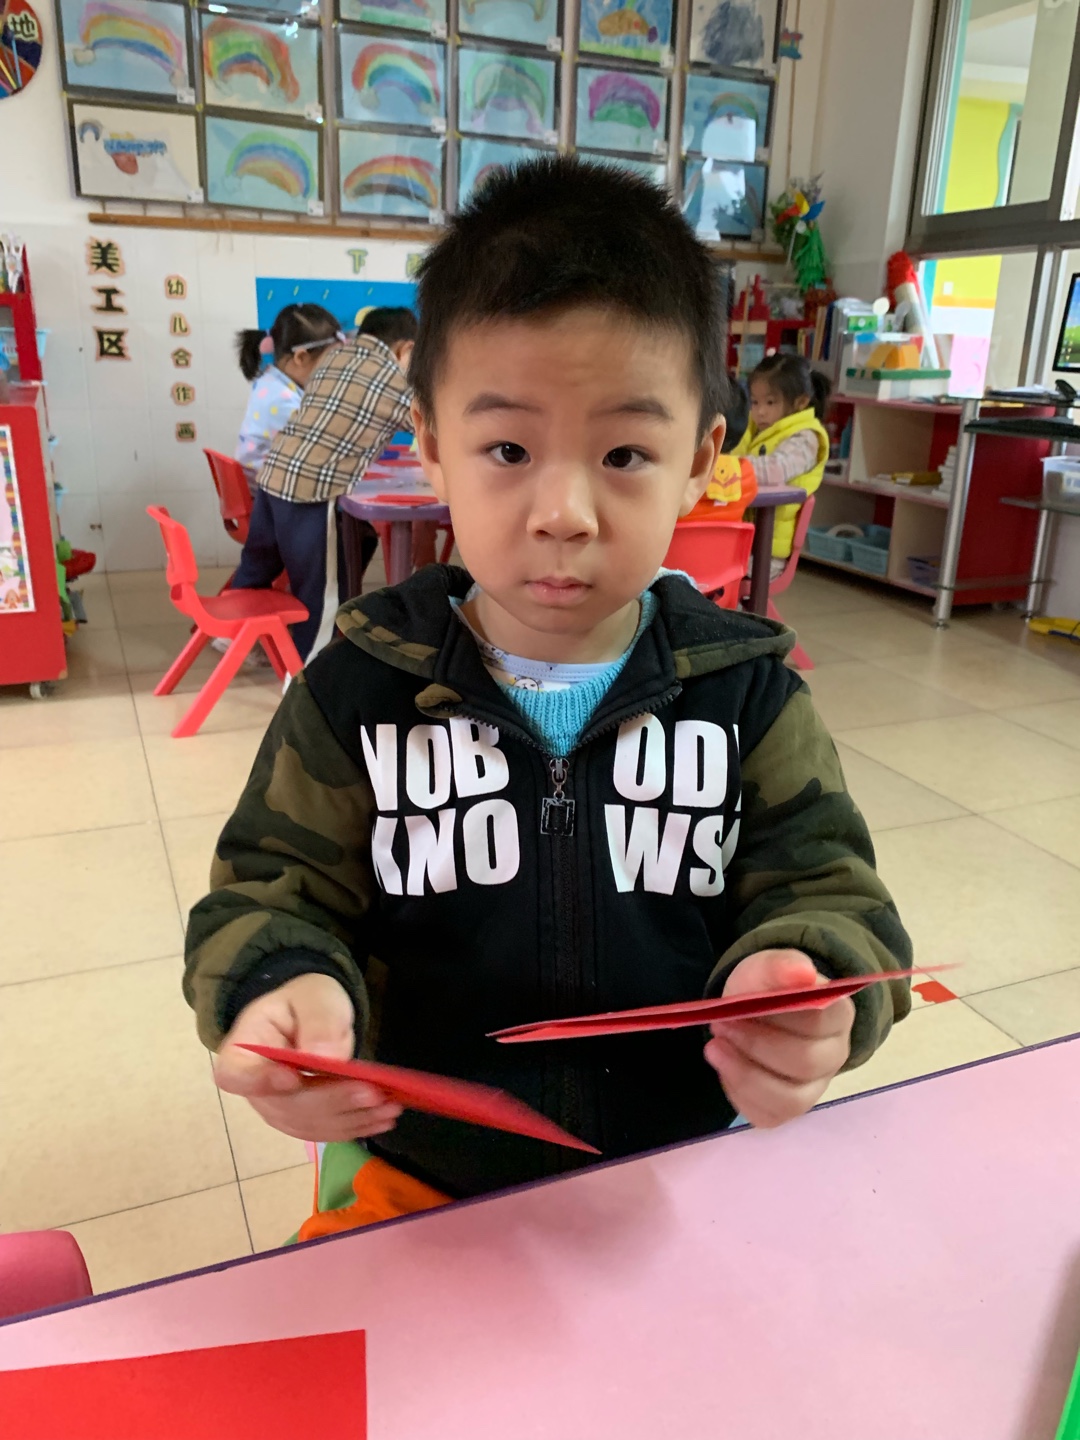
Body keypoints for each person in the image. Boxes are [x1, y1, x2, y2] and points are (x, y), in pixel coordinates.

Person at [186, 158, 911, 1240]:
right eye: (508, 449)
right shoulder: (360, 685)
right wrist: (282, 984)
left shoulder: (748, 693)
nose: (563, 511)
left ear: (701, 461)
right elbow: (267, 891)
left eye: (624, 453)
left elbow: (835, 892)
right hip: (419, 1178)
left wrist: (810, 981)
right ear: (433, 448)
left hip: (686, 1174)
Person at [230, 306, 417, 664]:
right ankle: (311, 672)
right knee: (321, 596)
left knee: (257, 567)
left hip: (272, 480)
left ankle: (234, 637)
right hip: (310, 492)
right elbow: (430, 423)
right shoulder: (394, 380)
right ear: (405, 348)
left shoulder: (335, 358)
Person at [731, 353, 832, 577]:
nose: (760, 411)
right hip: (744, 540)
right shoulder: (757, 429)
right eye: (755, 402)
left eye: (770, 402)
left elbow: (775, 470)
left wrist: (728, 468)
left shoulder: (806, 438)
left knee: (707, 568)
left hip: (767, 555)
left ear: (800, 402)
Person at [234, 303, 344, 486]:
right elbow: (320, 450)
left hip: (263, 486)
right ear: (301, 358)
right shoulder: (282, 400)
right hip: (270, 494)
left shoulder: (271, 382)